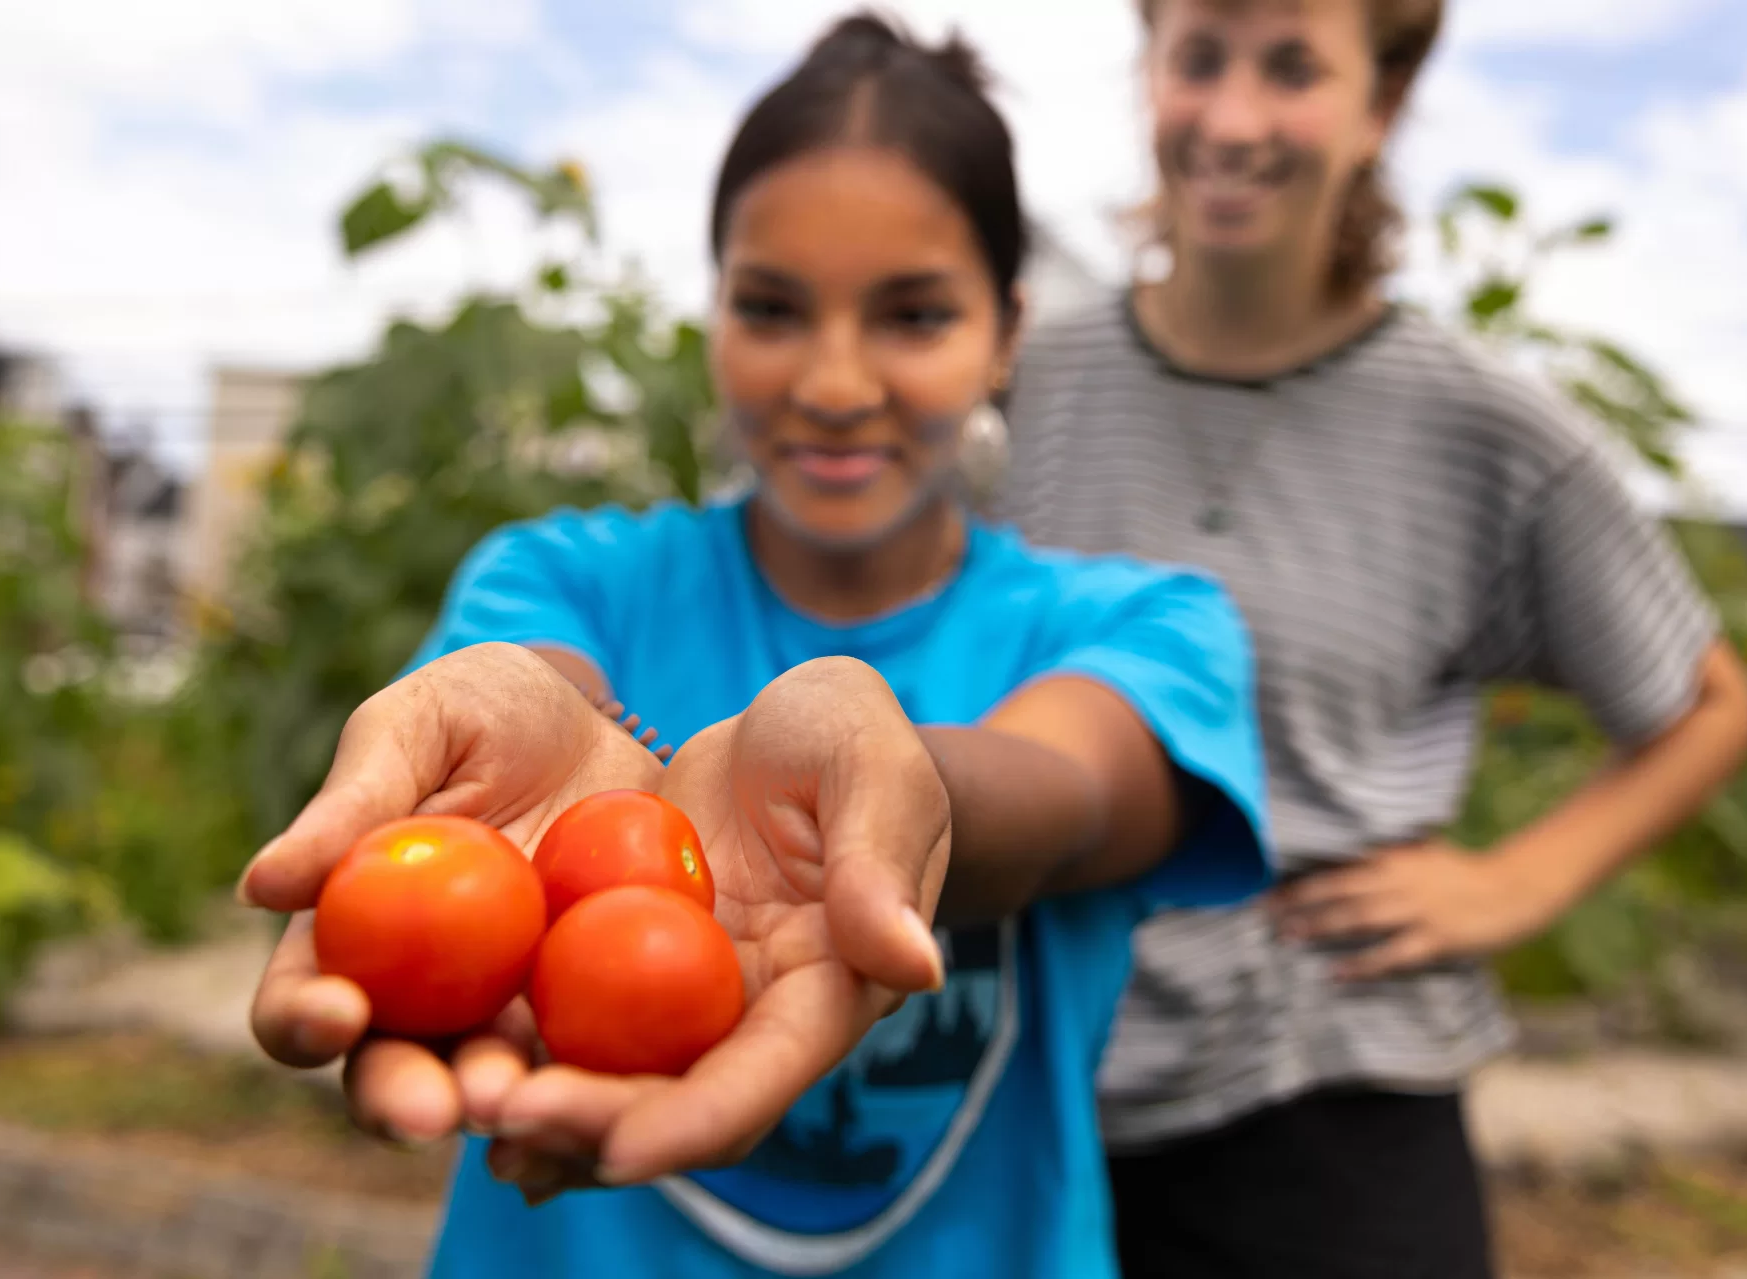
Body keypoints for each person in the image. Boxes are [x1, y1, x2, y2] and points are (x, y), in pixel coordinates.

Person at [239, 13, 1271, 1279]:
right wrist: (521, 756)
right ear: (714, 310)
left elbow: (1071, 794)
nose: (834, 381)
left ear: (1005, 332)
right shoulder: (560, 575)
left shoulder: (1142, 625)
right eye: (772, 308)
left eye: (913, 316)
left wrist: (891, 792)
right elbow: (538, 692)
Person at [993, 1, 1747, 1275]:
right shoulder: (1032, 377)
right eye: (1198, 58)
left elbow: (1705, 704)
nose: (1232, 117)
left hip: (1328, 1100)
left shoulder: (1483, 429)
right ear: (1148, 73)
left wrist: (1515, 881)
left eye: (1292, 67)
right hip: (1043, 1083)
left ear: (1380, 108)